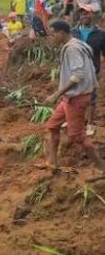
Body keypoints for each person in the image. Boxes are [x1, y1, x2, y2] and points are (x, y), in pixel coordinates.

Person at [42, 20, 104, 173]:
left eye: (53, 34)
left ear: (61, 33)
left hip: (77, 97)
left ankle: (102, 168)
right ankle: (52, 163)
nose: (52, 37)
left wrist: (56, 94)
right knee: (52, 125)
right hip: (70, 97)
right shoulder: (76, 43)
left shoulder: (72, 49)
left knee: (77, 135)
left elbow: (78, 75)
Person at [72, 0, 104, 136]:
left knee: (91, 97)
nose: (84, 16)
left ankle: (90, 123)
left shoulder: (100, 34)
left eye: (87, 13)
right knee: (74, 95)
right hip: (74, 70)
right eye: (82, 13)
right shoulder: (73, 32)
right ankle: (76, 120)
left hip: (92, 70)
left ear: (92, 15)